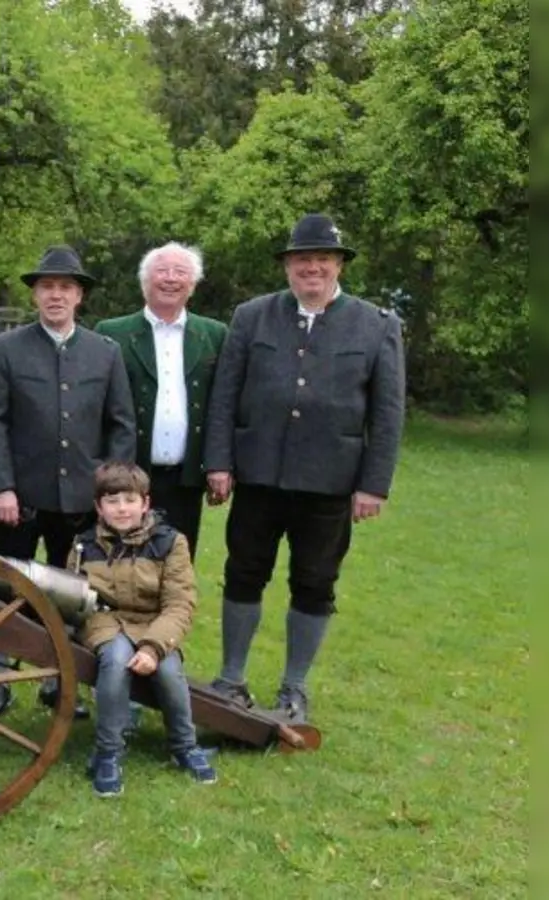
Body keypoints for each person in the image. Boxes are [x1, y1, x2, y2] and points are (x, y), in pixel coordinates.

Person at [204, 213, 406, 724]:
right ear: (287, 266)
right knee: (244, 572)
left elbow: (387, 413)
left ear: (339, 265)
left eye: (322, 259)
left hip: (330, 481)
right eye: (302, 260)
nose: (311, 268)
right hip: (258, 474)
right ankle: (231, 678)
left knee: (315, 582)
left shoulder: (377, 325)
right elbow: (224, 395)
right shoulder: (252, 316)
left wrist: (374, 485)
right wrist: (219, 462)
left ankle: (294, 688)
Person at [0, 244, 135, 718]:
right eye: (47, 287)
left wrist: (109, 490)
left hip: (82, 500)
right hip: (20, 497)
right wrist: (1, 486)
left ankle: (59, 680)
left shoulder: (105, 353)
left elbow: (121, 425)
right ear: (35, 295)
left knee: (73, 593)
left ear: (79, 296)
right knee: (6, 588)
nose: (56, 295)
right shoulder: (5, 348)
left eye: (66, 287)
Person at [68, 462, 217, 797]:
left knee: (168, 669)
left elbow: (179, 604)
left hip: (155, 622)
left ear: (145, 503)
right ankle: (108, 752)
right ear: (99, 507)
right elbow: (76, 597)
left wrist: (153, 647)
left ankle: (184, 746)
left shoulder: (171, 543)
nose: (122, 509)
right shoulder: (83, 545)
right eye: (112, 501)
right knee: (116, 660)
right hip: (105, 621)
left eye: (129, 500)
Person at [94, 242, 228, 558]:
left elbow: (222, 404)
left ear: (192, 284)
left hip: (186, 476)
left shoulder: (215, 334)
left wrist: (220, 464)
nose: (170, 278)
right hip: (128, 473)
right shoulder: (112, 332)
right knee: (121, 561)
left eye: (180, 272)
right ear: (145, 281)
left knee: (177, 560)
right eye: (162, 271)